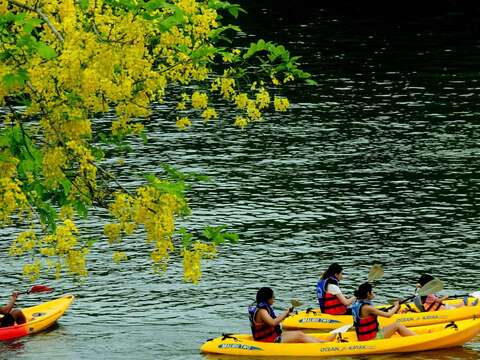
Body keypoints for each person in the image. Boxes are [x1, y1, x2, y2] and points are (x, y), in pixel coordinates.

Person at [249, 287, 335, 343]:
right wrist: (285, 313)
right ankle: (323, 345)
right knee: (298, 336)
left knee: (299, 333)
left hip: (273, 337)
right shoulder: (262, 311)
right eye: (273, 297)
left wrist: (286, 315)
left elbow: (272, 323)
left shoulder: (262, 309)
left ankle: (323, 342)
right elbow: (273, 323)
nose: (274, 299)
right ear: (267, 299)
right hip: (267, 341)